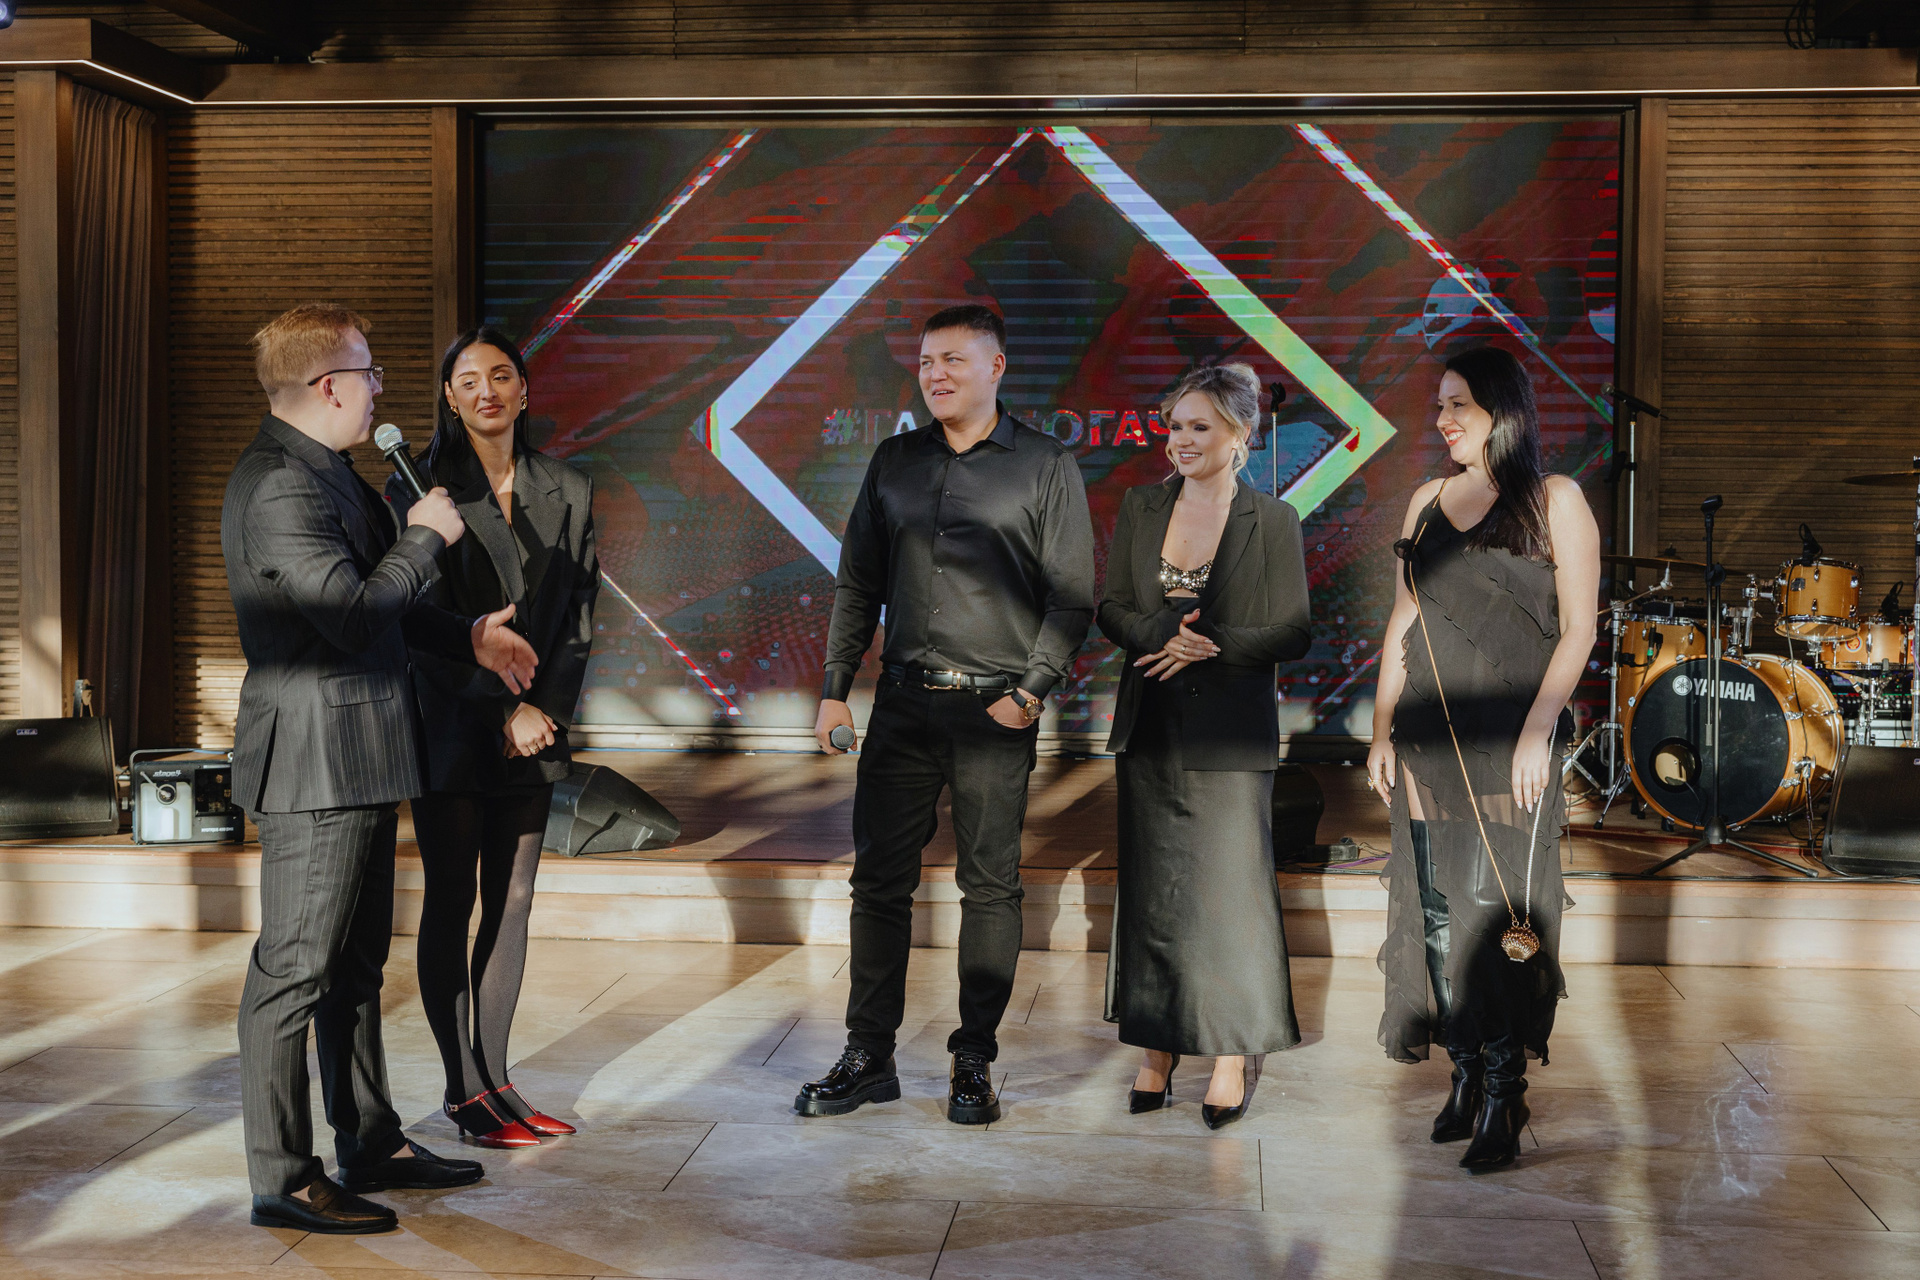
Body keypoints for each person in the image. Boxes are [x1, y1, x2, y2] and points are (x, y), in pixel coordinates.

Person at [223, 305, 540, 1233]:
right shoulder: (278, 485)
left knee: (355, 967)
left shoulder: (330, 472)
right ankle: (284, 1178)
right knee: (294, 973)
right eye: (369, 374)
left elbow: (384, 610)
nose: (378, 391)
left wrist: (469, 636)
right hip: (314, 763)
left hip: (358, 755)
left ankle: (369, 1140)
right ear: (330, 386)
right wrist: (426, 535)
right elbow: (351, 614)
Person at [798, 304, 1096, 1125]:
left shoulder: (1044, 464)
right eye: (927, 361)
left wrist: (1029, 693)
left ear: (996, 367)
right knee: (878, 884)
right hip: (901, 702)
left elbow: (1072, 597)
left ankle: (974, 1060)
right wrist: (835, 686)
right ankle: (868, 1056)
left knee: (989, 888)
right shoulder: (894, 460)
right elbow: (858, 581)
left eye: (953, 360)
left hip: (995, 709)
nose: (935, 374)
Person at [1366, 346, 1599, 1172]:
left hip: (1510, 734)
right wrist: (1381, 726)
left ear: (1503, 409)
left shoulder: (1554, 499)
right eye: (1439, 405)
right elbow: (1404, 620)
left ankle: (1505, 1088)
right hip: (1427, 732)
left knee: (1494, 910)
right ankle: (1464, 1072)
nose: (1442, 420)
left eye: (1457, 404)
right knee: (1435, 908)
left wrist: (1539, 728)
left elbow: (1580, 629)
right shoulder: (1426, 501)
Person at [387, 327, 599, 1148]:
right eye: (469, 379)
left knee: (512, 904)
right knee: (453, 897)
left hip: (533, 728)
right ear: (449, 396)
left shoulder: (568, 487)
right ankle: (462, 1090)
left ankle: (499, 1081)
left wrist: (543, 713)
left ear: (524, 389)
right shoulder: (420, 490)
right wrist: (501, 708)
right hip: (451, 720)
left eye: (502, 375)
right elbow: (417, 621)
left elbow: (578, 619)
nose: (487, 391)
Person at [1098, 362, 1312, 1130]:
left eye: (1200, 427)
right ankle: (1156, 1047)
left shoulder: (1273, 519)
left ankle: (1228, 1052)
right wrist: (1162, 632)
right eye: (1175, 426)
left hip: (1230, 731)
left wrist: (1213, 644)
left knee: (1229, 898)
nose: (1181, 441)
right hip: (1150, 724)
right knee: (1155, 895)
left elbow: (1294, 629)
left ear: (1240, 433)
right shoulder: (1141, 506)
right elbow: (1111, 607)